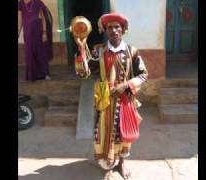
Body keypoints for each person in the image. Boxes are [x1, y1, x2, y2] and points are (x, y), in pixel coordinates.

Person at [74, 13, 148, 180]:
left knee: (123, 133)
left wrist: (125, 85)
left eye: (117, 27)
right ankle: (108, 165)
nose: (114, 30)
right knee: (105, 133)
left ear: (123, 30)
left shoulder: (132, 51)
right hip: (104, 101)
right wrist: (81, 50)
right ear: (105, 31)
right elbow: (84, 74)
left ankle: (122, 162)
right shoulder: (99, 51)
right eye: (110, 27)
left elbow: (143, 74)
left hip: (125, 100)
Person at [18, 0, 53, 81]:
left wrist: (44, 32)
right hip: (27, 32)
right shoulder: (20, 4)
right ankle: (32, 75)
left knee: (41, 52)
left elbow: (43, 18)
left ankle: (45, 74)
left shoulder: (38, 2)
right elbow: (20, 19)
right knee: (29, 52)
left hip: (38, 30)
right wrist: (18, 32)